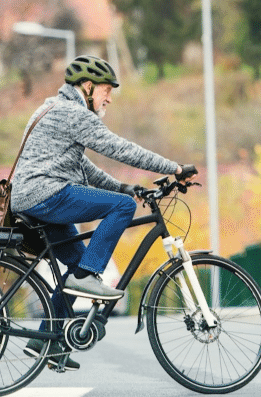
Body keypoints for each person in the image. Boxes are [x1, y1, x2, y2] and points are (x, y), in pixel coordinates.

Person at [11, 54, 193, 370]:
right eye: (107, 90)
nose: (109, 97)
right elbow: (120, 149)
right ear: (88, 86)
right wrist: (174, 167)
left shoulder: (55, 109)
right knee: (119, 215)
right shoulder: (73, 113)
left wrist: (123, 187)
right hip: (45, 195)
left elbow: (83, 166)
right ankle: (87, 276)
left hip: (35, 198)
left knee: (75, 266)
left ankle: (45, 341)